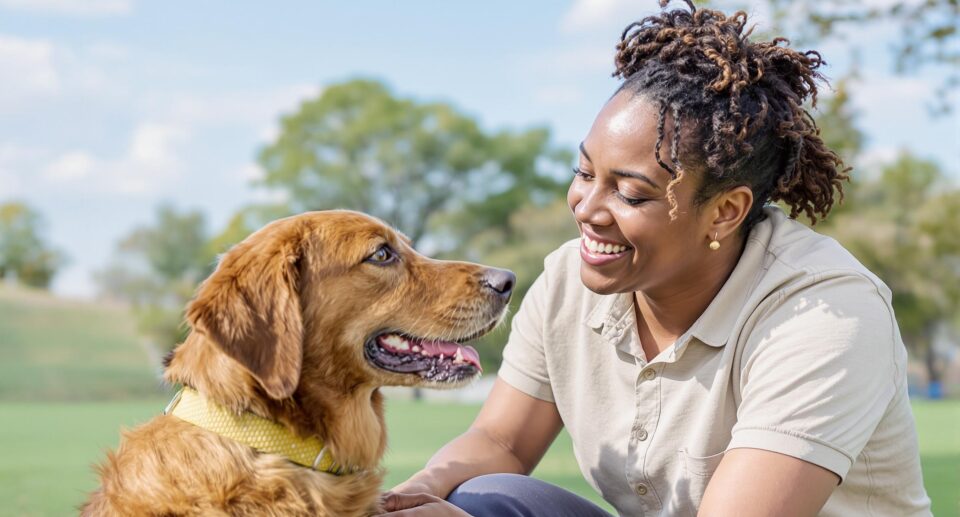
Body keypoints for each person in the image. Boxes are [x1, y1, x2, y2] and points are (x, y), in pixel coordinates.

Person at [379, 1, 932, 515]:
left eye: (632, 194)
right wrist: (413, 496)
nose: (588, 209)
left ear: (724, 211)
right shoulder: (568, 282)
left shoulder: (824, 314)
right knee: (485, 496)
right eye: (584, 172)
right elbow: (500, 441)